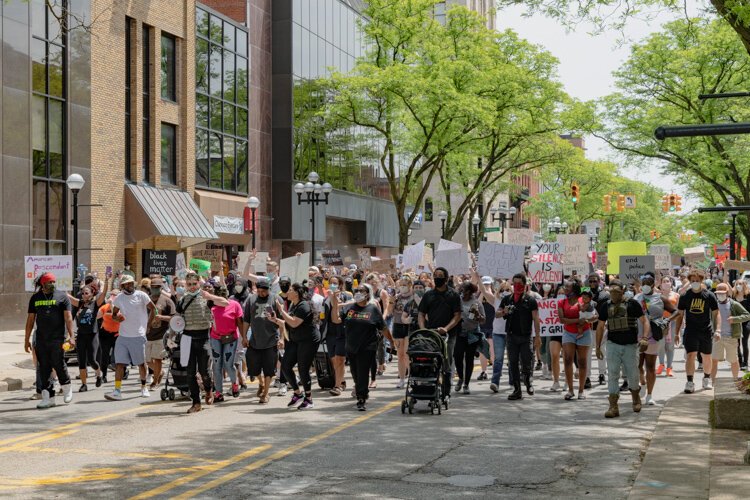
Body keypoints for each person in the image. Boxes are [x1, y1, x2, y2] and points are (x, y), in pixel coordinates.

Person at [332, 284, 391, 411]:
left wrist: (391, 341)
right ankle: (361, 390)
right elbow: (336, 320)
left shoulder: (373, 309)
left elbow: (383, 327)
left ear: (367, 294)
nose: (358, 292)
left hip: (368, 347)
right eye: (356, 290)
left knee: (363, 372)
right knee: (355, 372)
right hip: (351, 347)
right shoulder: (350, 309)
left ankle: (361, 398)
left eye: (361, 291)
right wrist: (334, 303)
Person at [596, 280, 650, 418]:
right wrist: (597, 346)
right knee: (613, 374)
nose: (614, 292)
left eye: (617, 289)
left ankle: (636, 397)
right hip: (613, 344)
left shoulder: (632, 304)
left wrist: (644, 338)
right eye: (611, 289)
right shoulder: (605, 306)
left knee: (633, 374)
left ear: (623, 290)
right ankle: (613, 406)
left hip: (630, 346)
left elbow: (645, 321)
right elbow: (600, 326)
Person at [176, 272, 229, 413]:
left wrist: (210, 296)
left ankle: (208, 389)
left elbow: (226, 302)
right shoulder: (182, 300)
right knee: (190, 373)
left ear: (199, 283)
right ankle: (196, 402)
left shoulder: (206, 297)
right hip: (187, 338)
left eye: (194, 284)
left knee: (204, 372)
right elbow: (177, 319)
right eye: (189, 284)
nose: (192, 287)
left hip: (204, 337)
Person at [25, 273, 75, 409]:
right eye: (49, 282)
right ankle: (48, 398)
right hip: (41, 339)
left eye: (53, 282)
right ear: (43, 284)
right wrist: (26, 340)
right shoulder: (35, 298)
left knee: (58, 364)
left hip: (58, 338)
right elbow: (30, 320)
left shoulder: (62, 297)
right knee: (44, 368)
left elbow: (68, 318)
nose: (52, 284)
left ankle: (67, 387)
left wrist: (71, 337)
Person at [106, 274, 155, 401]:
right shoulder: (119, 298)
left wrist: (148, 325)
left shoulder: (141, 295)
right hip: (123, 336)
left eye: (131, 283)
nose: (130, 285)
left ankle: (144, 387)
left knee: (141, 364)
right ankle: (117, 391)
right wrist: (117, 318)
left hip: (138, 336)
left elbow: (153, 309)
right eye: (127, 284)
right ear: (122, 286)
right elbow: (114, 315)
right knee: (119, 364)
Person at [418, 267, 461, 396]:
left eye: (440, 276)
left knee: (446, 361)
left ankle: (446, 391)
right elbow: (421, 313)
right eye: (435, 275)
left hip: (449, 335)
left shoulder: (453, 295)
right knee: (429, 360)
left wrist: (446, 328)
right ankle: (428, 385)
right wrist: (423, 329)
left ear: (446, 279)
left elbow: (457, 315)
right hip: (431, 334)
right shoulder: (428, 295)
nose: (437, 278)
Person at [635, 273, 677, 406]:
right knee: (637, 366)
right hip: (637, 336)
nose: (646, 286)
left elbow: (676, 312)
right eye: (644, 284)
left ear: (654, 285)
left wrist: (666, 321)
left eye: (648, 284)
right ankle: (642, 381)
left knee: (650, 366)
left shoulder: (660, 298)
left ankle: (649, 395)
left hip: (653, 336)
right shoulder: (637, 298)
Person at [276, 283, 320, 410]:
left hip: (308, 340)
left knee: (303, 368)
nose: (287, 292)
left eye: (290, 290)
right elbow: (288, 323)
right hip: (296, 340)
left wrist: (281, 311)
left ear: (296, 293)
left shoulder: (304, 305)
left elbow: (294, 323)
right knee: (285, 365)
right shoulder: (292, 304)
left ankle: (309, 399)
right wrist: (275, 320)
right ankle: (297, 393)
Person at [498, 273, 541, 400]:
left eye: (519, 284)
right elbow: (497, 314)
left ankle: (528, 381)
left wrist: (537, 336)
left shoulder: (530, 300)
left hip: (525, 336)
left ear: (524, 285)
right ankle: (517, 389)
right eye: (514, 283)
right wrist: (503, 312)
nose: (517, 286)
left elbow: (536, 319)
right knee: (513, 363)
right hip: (511, 336)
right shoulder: (507, 299)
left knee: (527, 361)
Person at [241, 277, 284, 404]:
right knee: (253, 367)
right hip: (254, 340)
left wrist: (281, 338)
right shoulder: (251, 299)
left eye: (263, 291)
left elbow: (283, 322)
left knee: (269, 368)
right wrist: (244, 336)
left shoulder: (276, 299)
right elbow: (246, 320)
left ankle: (265, 394)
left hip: (271, 340)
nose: (261, 294)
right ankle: (261, 383)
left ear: (269, 289)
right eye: (258, 291)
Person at [675, 270, 718, 394]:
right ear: (689, 281)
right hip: (691, 330)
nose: (695, 283)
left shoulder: (709, 295)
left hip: (705, 330)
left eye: (697, 281)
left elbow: (716, 313)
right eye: (692, 281)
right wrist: (676, 333)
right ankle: (689, 382)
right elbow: (680, 315)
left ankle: (706, 378)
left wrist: (718, 329)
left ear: (701, 281)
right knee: (690, 355)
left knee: (706, 356)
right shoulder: (685, 296)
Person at [557, 279, 593, 400]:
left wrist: (587, 320)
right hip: (568, 333)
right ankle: (571, 390)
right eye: (565, 287)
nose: (565, 289)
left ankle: (581, 391)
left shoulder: (584, 300)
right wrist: (578, 321)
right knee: (567, 359)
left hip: (584, 333)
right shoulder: (562, 302)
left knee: (582, 361)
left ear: (574, 289)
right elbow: (562, 320)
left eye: (568, 287)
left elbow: (594, 315)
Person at [710, 282, 750, 383]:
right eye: (718, 293)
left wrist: (735, 319)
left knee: (733, 360)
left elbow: (747, 315)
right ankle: (712, 382)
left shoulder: (734, 304)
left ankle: (735, 381)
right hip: (717, 337)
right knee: (714, 360)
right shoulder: (714, 305)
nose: (720, 295)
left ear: (727, 292)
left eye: (722, 293)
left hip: (731, 337)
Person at [210, 284, 244, 402]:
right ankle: (219, 392)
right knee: (216, 365)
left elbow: (239, 322)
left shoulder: (235, 305)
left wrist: (244, 337)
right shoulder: (211, 306)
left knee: (228, 363)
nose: (221, 296)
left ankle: (235, 384)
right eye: (219, 294)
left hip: (230, 338)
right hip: (215, 337)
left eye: (223, 293)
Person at [454, 282, 486, 395]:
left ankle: (466, 384)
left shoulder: (477, 302)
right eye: (460, 289)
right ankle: (460, 378)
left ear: (469, 291)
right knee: (457, 356)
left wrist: (477, 314)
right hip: (459, 333)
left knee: (469, 359)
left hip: (472, 334)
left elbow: (483, 320)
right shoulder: (458, 300)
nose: (461, 292)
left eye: (463, 289)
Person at [145, 278, 174, 391]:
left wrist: (162, 317)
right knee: (146, 360)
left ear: (161, 288)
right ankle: (160, 372)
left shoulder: (167, 301)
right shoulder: (146, 300)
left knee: (157, 359)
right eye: (152, 287)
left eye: (157, 287)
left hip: (160, 335)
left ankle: (155, 382)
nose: (154, 289)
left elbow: (175, 318)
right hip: (147, 334)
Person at [324, 276, 352, 395]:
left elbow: (344, 313)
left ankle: (337, 386)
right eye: (331, 283)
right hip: (330, 332)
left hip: (342, 331)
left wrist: (336, 300)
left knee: (340, 358)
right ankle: (342, 380)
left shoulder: (347, 297)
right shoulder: (326, 299)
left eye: (335, 283)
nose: (333, 285)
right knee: (334, 360)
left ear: (340, 285)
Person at [72, 285, 103, 392]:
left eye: (87, 293)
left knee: (92, 360)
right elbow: (68, 297)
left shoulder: (95, 304)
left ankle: (98, 374)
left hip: (92, 335)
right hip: (81, 335)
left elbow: (103, 295)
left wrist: (108, 281)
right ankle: (84, 384)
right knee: (81, 361)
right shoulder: (79, 304)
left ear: (92, 294)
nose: (84, 295)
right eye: (83, 293)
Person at [389, 276, 414, 389]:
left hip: (409, 326)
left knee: (407, 354)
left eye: (405, 285)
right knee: (400, 355)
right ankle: (402, 379)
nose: (403, 287)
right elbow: (390, 312)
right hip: (397, 325)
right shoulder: (397, 297)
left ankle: (412, 377)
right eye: (401, 285)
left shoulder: (413, 297)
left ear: (409, 285)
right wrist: (391, 300)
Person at [587, 273, 610, 386]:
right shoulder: (585, 294)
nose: (592, 283)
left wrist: (606, 323)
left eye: (594, 281)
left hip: (601, 327)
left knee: (601, 350)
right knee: (587, 353)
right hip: (588, 328)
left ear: (599, 281)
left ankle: (602, 374)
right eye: (590, 281)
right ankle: (587, 376)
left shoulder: (605, 295)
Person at [96, 288, 121, 384]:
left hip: (117, 334)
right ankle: (104, 375)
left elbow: (117, 316)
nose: (112, 296)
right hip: (105, 333)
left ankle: (123, 372)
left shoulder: (121, 307)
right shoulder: (104, 307)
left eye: (115, 295)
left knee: (119, 355)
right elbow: (96, 316)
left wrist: (111, 304)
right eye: (111, 294)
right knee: (104, 355)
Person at [489, 281, 510, 393]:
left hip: (510, 332)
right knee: (498, 359)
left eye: (507, 290)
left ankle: (512, 382)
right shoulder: (495, 299)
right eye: (502, 290)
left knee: (512, 359)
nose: (504, 292)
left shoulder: (513, 300)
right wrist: (477, 278)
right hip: (498, 333)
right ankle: (495, 382)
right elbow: (483, 290)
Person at [657, 276, 680, 377]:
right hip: (660, 323)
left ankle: (669, 367)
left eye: (668, 281)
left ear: (671, 283)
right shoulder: (657, 295)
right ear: (660, 284)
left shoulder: (676, 295)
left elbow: (679, 311)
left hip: (672, 322)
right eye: (664, 281)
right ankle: (661, 364)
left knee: (670, 346)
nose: (666, 283)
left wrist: (681, 324)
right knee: (660, 345)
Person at [734, 280, 750, 371]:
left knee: (744, 342)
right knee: (737, 343)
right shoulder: (733, 296)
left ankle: (745, 363)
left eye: (740, 284)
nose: (738, 286)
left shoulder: (748, 295)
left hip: (746, 321)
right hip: (736, 322)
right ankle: (740, 361)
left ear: (744, 285)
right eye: (737, 284)